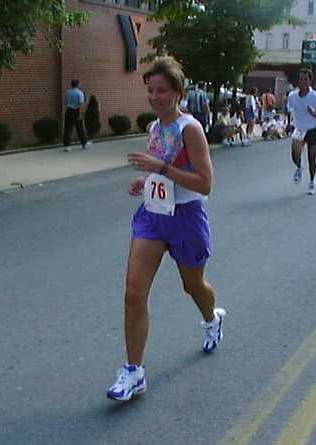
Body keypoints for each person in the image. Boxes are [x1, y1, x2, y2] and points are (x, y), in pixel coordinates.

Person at [107, 56, 226, 402]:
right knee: (133, 292)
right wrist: (145, 181)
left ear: (177, 92)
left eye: (161, 91)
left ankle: (212, 318)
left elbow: (205, 183)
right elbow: (161, 172)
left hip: (186, 216)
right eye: (150, 91)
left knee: (193, 285)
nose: (155, 97)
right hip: (153, 215)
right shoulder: (154, 128)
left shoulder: (191, 129)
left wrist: (159, 168)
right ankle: (134, 372)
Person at [287, 68, 316, 195]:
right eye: (300, 79)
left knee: (311, 158)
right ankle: (299, 167)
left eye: (305, 79)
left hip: (313, 128)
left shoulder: (315, 97)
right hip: (299, 128)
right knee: (295, 154)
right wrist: (288, 124)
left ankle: (312, 181)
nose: (302, 82)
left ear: (310, 81)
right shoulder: (292, 96)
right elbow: (289, 110)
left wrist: (313, 113)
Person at [63, 79, 87, 152]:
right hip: (76, 111)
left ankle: (67, 146)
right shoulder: (80, 92)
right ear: (78, 84)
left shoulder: (67, 92)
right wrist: (81, 113)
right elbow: (81, 104)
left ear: (71, 84)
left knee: (68, 129)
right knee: (80, 128)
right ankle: (83, 144)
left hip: (69, 111)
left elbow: (65, 103)